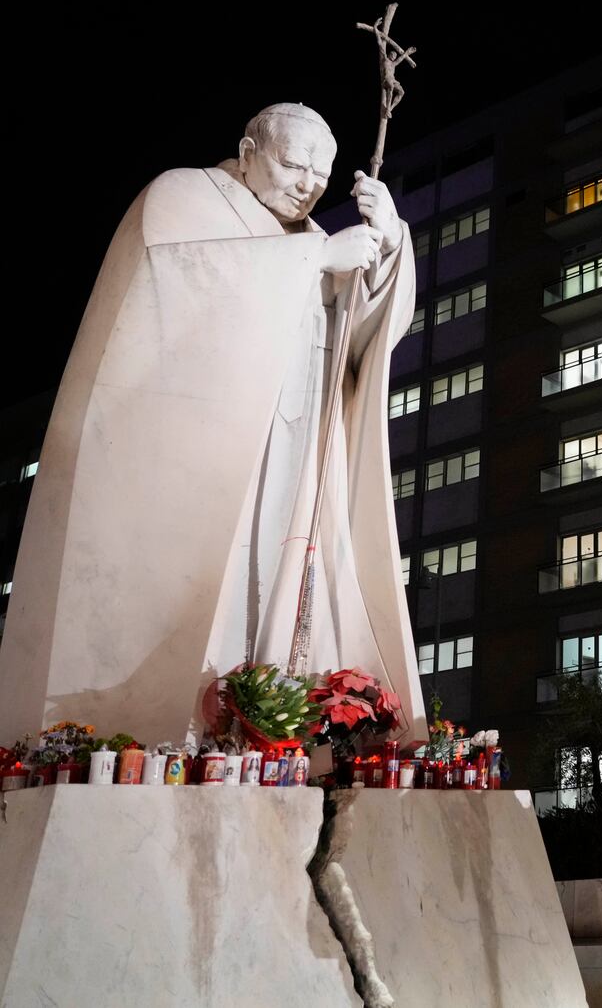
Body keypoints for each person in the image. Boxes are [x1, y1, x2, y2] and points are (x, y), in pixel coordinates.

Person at [0, 103, 426, 746]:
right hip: (218, 448)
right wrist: (313, 260)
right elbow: (168, 286)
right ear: (248, 150)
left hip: (303, 447)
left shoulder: (312, 238)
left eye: (321, 172)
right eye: (292, 164)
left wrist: (389, 247)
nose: (308, 183)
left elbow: (361, 346)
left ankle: (278, 723)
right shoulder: (184, 197)